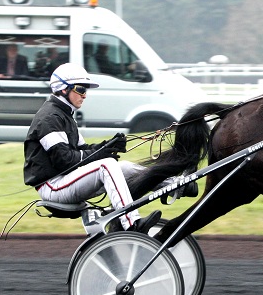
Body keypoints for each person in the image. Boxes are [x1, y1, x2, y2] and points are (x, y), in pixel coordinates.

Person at [23, 63, 161, 234]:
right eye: (81, 89)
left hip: (65, 181)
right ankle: (132, 223)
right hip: (53, 186)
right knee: (106, 166)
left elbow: (83, 149)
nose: (85, 95)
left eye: (85, 90)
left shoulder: (64, 115)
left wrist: (107, 146)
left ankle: (171, 183)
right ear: (63, 89)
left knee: (122, 166)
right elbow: (65, 160)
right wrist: (100, 154)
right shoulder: (49, 118)